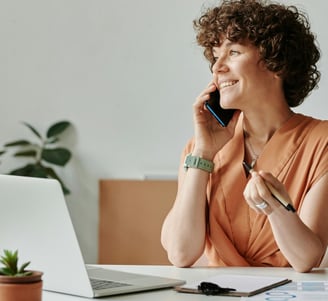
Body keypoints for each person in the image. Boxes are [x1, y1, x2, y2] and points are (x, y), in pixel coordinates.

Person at [161, 0, 328, 273]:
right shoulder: (198, 150)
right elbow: (180, 253)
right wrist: (203, 155)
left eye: (234, 52)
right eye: (215, 56)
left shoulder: (322, 142)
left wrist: (273, 206)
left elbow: (307, 258)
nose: (217, 67)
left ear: (277, 63)